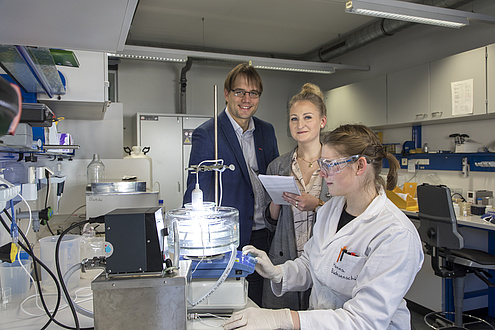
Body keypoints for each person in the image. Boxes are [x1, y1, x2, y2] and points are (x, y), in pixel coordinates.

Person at [224, 124, 424, 330]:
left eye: (330, 164)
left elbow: (364, 321)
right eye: (322, 163)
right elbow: (312, 264)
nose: (322, 172)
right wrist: (276, 272)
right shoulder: (331, 209)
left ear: (360, 166)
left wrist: (282, 318)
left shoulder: (395, 234)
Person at [183, 63, 279, 307]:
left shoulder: (266, 131)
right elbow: (195, 190)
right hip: (229, 241)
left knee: (260, 301)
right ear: (226, 94)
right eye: (239, 92)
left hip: (264, 234)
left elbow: (274, 178)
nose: (246, 99)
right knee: (229, 304)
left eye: (253, 93)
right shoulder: (208, 133)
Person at [262, 83, 330, 310]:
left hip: (325, 259)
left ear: (322, 121)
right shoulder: (278, 166)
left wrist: (318, 204)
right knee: (283, 320)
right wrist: (275, 200)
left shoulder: (336, 164)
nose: (300, 125)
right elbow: (270, 222)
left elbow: (348, 212)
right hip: (285, 257)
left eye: (307, 117)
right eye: (294, 119)